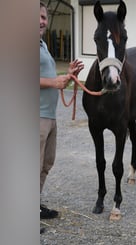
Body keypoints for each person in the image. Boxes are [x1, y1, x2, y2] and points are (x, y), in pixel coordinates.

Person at [40, 1, 84, 219]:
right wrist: (52, 82)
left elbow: (49, 79)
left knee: (45, 164)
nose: (41, 21)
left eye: (43, 17)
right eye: (36, 17)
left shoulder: (43, 45)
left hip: (49, 116)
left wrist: (67, 75)